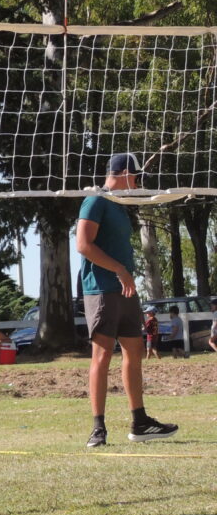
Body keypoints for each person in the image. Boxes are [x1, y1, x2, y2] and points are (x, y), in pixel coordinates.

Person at [76, 153, 177, 448]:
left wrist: (126, 275)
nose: (138, 182)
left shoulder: (119, 205)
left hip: (125, 290)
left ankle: (140, 422)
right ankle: (98, 428)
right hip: (101, 289)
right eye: (136, 176)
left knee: (134, 352)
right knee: (102, 355)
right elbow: (83, 245)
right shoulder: (95, 200)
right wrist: (119, 270)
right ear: (122, 173)